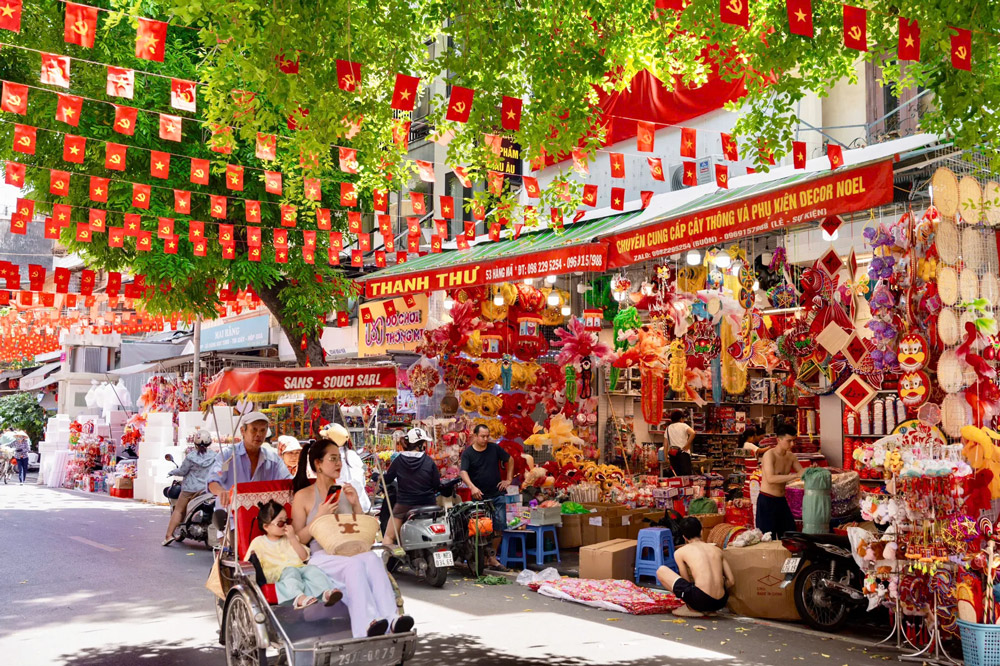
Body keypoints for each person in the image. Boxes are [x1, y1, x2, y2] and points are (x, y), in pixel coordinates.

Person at [290, 438, 413, 639]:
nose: (339, 463)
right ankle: (365, 626)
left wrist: (355, 504)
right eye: (333, 459)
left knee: (372, 559)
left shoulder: (347, 491)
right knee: (354, 567)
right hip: (321, 556)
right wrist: (320, 516)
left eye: (339, 459)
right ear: (318, 464)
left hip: (351, 550)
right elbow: (299, 538)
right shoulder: (303, 496)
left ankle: (392, 619)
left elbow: (362, 531)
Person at [246, 500, 343, 610]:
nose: (285, 525)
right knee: (291, 572)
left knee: (313, 570)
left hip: (300, 569)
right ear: (266, 526)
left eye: (287, 521)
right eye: (280, 523)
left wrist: (293, 538)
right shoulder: (258, 542)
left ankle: (326, 592)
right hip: (278, 574)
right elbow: (248, 562)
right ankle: (299, 598)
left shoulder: (290, 537)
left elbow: (304, 557)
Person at [207, 412, 292, 509]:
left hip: (262, 518)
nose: (258, 434)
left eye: (262, 430)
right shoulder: (227, 456)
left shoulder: (273, 460)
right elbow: (213, 480)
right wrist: (221, 492)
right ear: (243, 431)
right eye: (254, 430)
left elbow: (288, 480)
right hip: (230, 517)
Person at [657, 517, 735, 617]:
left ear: (684, 537)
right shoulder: (717, 549)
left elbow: (686, 582)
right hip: (720, 602)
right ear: (701, 532)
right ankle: (710, 610)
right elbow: (731, 581)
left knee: (661, 570)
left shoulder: (680, 552)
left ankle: (692, 609)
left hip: (700, 600)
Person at [460, 424, 513, 569]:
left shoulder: (494, 448)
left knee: (499, 525)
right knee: (480, 528)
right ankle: (481, 556)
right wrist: (472, 487)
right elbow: (463, 472)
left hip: (497, 494)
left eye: (487, 436)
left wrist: (508, 479)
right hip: (479, 496)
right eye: (482, 436)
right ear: (475, 436)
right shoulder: (468, 453)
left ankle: (492, 557)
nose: (485, 439)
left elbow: (510, 459)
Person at [381, 427, 441, 553]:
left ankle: (385, 570)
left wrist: (378, 477)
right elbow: (436, 484)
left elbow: (387, 479)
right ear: (421, 445)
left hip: (404, 505)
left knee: (388, 536)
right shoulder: (429, 461)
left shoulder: (399, 460)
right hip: (428, 503)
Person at [163, 430, 218, 546]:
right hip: (207, 489)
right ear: (209, 443)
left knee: (178, 510)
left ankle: (168, 536)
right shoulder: (214, 456)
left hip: (190, 490)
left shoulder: (191, 456)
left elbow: (182, 471)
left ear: (195, 443)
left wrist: (173, 471)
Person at [756, 423, 803, 539]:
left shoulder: (791, 456)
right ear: (779, 440)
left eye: (794, 441)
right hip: (767, 500)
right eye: (789, 441)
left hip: (781, 501)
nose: (792, 444)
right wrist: (795, 476)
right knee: (767, 539)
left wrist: (812, 471)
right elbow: (771, 478)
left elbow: (802, 473)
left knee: (790, 536)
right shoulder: (769, 455)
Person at [321, 423, 371, 512]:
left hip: (346, 506)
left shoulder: (334, 457)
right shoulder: (351, 454)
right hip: (358, 504)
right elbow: (361, 481)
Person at [666, 410, 696, 477]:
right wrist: (687, 444)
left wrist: (666, 457)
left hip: (673, 455)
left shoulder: (668, 428)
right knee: (686, 478)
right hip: (683, 454)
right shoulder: (683, 425)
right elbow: (693, 433)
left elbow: (665, 443)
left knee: (675, 477)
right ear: (681, 418)